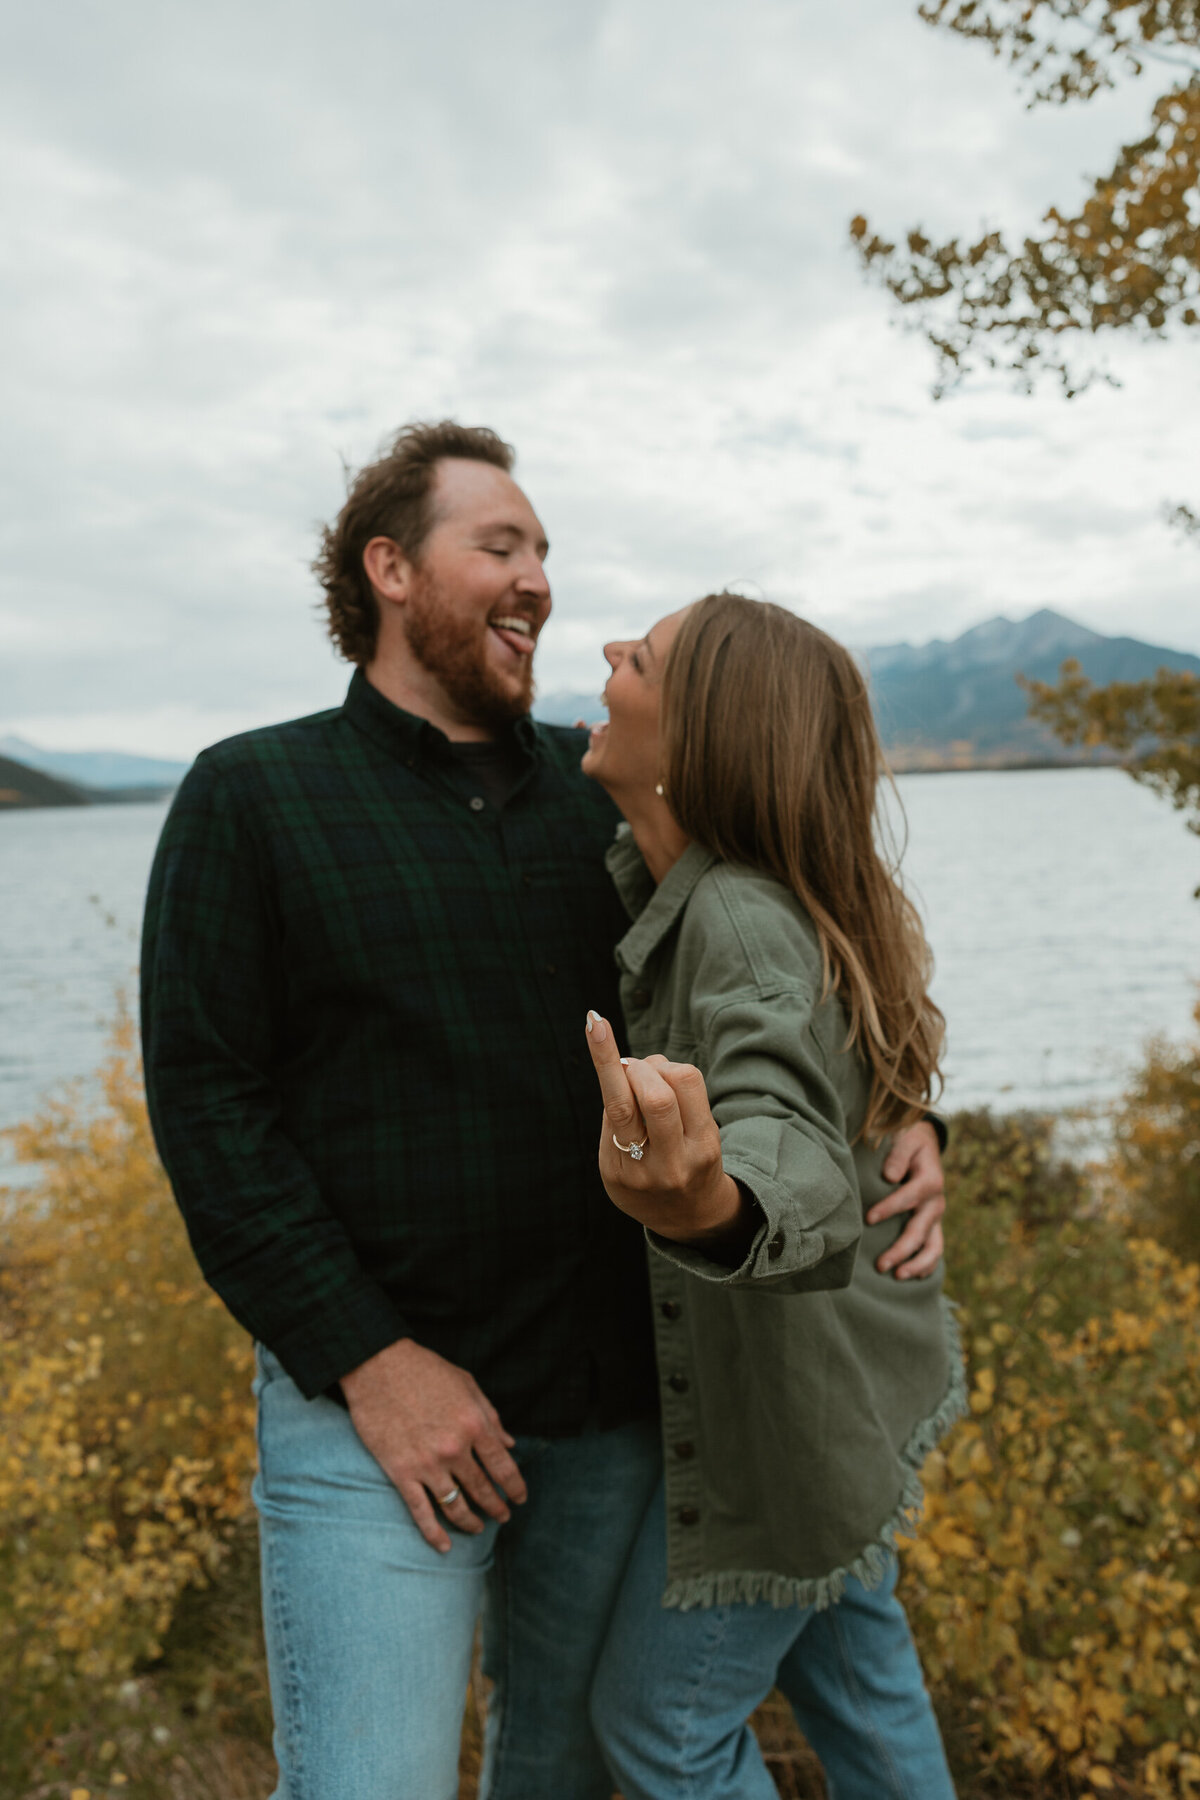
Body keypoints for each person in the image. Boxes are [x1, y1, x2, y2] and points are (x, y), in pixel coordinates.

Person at [140, 424, 948, 1800]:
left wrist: (910, 1115)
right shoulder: (254, 795)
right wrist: (373, 1361)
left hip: (608, 1416)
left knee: (564, 1774)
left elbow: (802, 948)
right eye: (499, 546)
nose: (539, 583)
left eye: (546, 555)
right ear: (390, 568)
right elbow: (212, 1113)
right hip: (372, 1420)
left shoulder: (614, 792)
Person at [580, 592, 964, 1800]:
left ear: (696, 743)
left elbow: (784, 1139)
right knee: (866, 1687)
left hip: (800, 1428)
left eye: (637, 658)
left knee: (659, 1730)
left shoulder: (735, 917)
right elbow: (841, 1083)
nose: (604, 656)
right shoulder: (744, 888)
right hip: (845, 1391)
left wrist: (717, 1205)